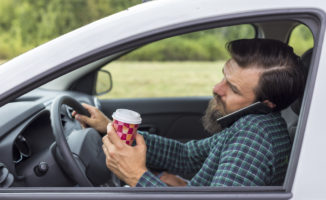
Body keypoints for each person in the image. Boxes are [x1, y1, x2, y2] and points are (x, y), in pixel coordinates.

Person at [74, 38, 306, 187]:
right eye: (224, 76)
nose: (217, 88)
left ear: (266, 103)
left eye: (232, 88)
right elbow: (186, 156)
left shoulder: (255, 138)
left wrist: (137, 176)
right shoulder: (251, 123)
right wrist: (110, 128)